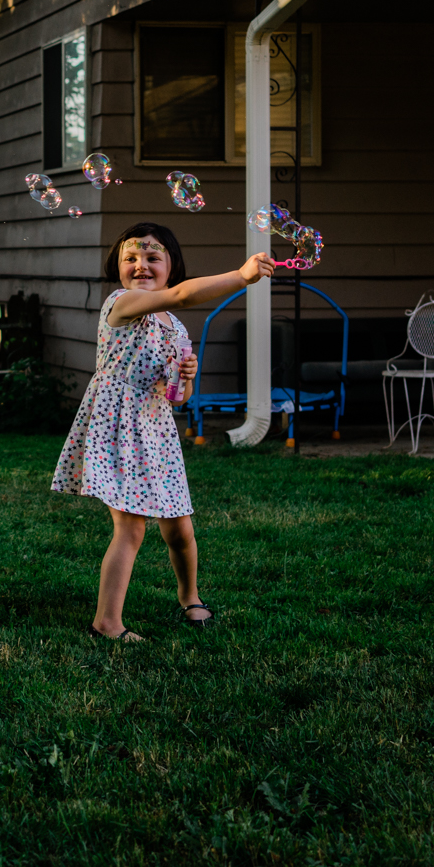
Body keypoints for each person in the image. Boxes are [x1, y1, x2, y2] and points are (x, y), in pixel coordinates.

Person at [52, 221, 273, 640]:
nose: (141, 265)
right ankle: (107, 623)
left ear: (172, 265)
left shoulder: (174, 326)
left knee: (179, 527)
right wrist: (241, 277)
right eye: (130, 258)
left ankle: (190, 597)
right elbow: (184, 294)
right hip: (118, 426)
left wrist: (187, 377)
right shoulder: (121, 302)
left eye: (153, 257)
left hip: (156, 433)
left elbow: (177, 397)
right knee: (132, 525)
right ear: (117, 268)